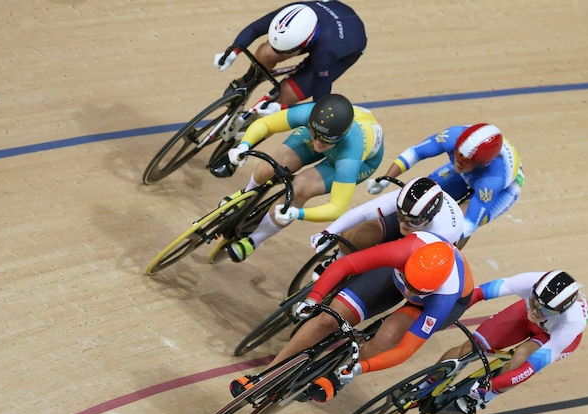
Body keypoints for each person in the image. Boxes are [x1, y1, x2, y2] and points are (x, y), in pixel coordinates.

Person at [230, 231, 474, 403]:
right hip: (396, 275)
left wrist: (361, 368)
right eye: (408, 284)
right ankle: (265, 376)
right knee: (327, 319)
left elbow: (404, 351)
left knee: (387, 336)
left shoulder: (444, 299)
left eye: (416, 291)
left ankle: (338, 376)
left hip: (435, 305)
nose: (408, 293)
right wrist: (314, 298)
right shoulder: (405, 250)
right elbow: (346, 265)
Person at [208, 93, 385, 263]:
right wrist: (243, 146)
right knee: (271, 165)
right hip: (331, 134)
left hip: (359, 160)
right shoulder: (311, 114)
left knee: (300, 188)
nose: (317, 144)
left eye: (324, 140)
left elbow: (337, 207)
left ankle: (254, 240)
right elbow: (266, 124)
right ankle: (246, 194)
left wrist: (298, 213)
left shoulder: (351, 153)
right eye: (314, 135)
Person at [435, 270, 588, 414]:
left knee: (520, 357)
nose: (536, 311)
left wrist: (490, 386)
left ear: (560, 311)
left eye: (545, 310)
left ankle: (486, 397)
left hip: (552, 336)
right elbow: (478, 293)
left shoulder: (572, 323)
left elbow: (528, 369)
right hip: (525, 315)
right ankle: (426, 384)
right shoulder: (530, 282)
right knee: (470, 347)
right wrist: (447, 316)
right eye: (534, 302)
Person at [366, 123, 524, 244]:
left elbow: (468, 224)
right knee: (425, 196)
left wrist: (432, 239)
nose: (459, 162)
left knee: (458, 219)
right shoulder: (452, 137)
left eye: (466, 161)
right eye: (458, 155)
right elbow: (415, 153)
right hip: (469, 173)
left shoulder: (491, 180)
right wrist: (386, 179)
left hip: (504, 191)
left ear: (482, 164)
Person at [214, 2, 366, 106]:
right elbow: (254, 29)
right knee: (267, 53)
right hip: (324, 21)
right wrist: (233, 52)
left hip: (342, 50)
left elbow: (319, 101)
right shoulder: (295, 12)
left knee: (282, 98)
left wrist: (280, 110)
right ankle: (247, 82)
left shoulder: (325, 53)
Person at [308, 176, 464, 278]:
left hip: (425, 242)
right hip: (416, 219)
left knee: (389, 276)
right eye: (400, 216)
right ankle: (337, 258)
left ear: (429, 218)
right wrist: (328, 232)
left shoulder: (445, 232)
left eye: (412, 221)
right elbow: (362, 213)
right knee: (356, 234)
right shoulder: (407, 200)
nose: (403, 224)